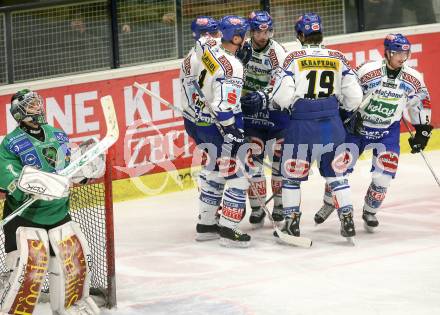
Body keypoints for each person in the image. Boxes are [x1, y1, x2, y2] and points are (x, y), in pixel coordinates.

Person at [314, 33, 433, 232]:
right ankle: (328, 202)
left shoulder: (413, 78)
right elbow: (347, 92)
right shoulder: (367, 70)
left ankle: (369, 211)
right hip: (357, 130)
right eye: (397, 53)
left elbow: (420, 101)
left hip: (387, 132)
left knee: (383, 177)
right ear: (387, 52)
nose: (402, 58)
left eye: (406, 53)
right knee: (338, 169)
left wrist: (422, 130)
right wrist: (346, 115)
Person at [0, 89, 104, 314]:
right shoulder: (10, 143)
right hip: (25, 218)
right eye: (31, 105)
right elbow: (9, 178)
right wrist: (31, 184)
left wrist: (85, 171)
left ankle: (70, 307)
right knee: (26, 273)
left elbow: (70, 167)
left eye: (38, 103)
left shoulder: (57, 134)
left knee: (73, 265)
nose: (38, 107)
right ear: (20, 113)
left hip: (58, 213)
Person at [269, 13, 363, 241]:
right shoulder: (338, 57)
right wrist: (341, 111)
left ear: (301, 35)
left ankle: (292, 224)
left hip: (302, 126)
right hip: (332, 124)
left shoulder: (293, 57)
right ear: (321, 33)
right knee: (337, 175)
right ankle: (348, 220)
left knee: (291, 176)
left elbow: (282, 97)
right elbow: (355, 97)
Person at [194, 15, 252, 247]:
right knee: (239, 178)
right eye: (244, 35)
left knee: (215, 171)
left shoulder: (209, 47)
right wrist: (233, 131)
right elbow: (223, 106)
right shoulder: (233, 67)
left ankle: (207, 224)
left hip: (202, 122)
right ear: (235, 37)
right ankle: (229, 229)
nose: (246, 39)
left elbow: (200, 44)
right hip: (221, 125)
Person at [239, 10, 288, 228]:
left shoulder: (278, 52)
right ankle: (257, 207)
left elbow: (281, 82)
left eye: (267, 30)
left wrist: (264, 96)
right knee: (254, 162)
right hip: (250, 114)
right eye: (260, 31)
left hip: (275, 114)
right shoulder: (242, 49)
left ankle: (279, 205)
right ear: (251, 30)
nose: (264, 35)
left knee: (279, 162)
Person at [179, 16, 222, 241]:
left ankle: (210, 215)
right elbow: (200, 96)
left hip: (194, 119)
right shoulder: (201, 59)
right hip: (204, 120)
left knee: (215, 163)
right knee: (218, 166)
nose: (216, 36)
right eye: (213, 33)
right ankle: (207, 220)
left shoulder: (191, 57)